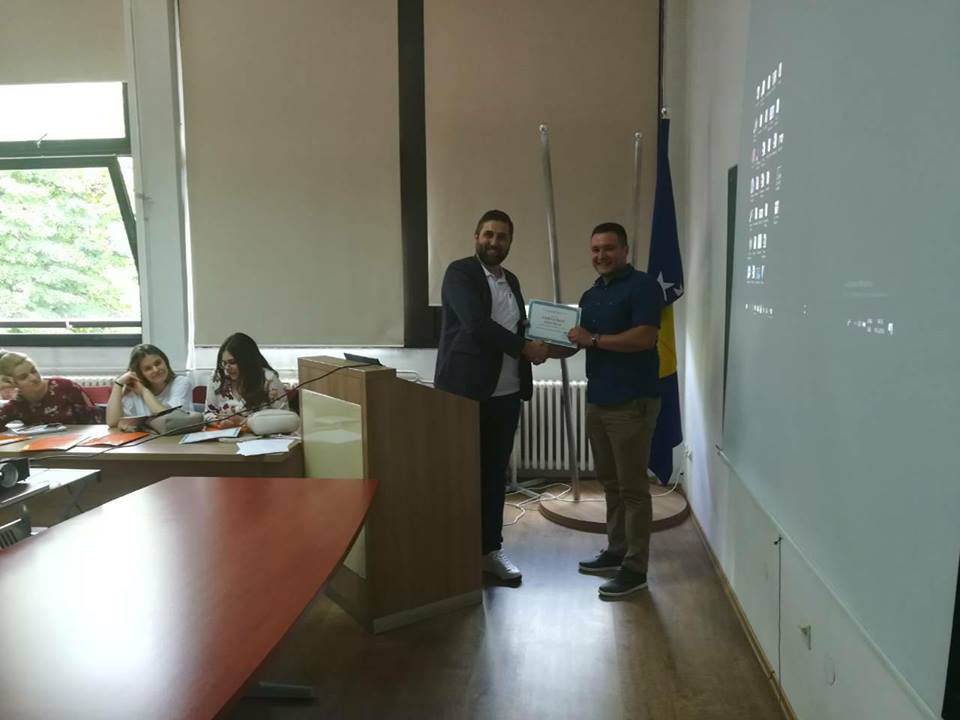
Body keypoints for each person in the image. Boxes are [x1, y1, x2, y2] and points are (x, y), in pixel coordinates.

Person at [434, 209, 549, 582]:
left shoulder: (511, 279)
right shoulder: (460, 273)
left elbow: (516, 324)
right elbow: (476, 324)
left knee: (494, 474)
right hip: (465, 392)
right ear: (476, 236)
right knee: (459, 474)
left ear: (510, 242)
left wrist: (546, 338)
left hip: (507, 393)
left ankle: (489, 550)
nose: (494, 242)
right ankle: (453, 552)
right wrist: (524, 347)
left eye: (502, 236)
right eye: (488, 234)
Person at [565, 222, 663, 599]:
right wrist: (538, 345)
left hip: (632, 400)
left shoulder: (643, 286)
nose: (601, 255)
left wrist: (593, 339)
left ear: (625, 250)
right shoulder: (590, 295)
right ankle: (617, 550)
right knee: (609, 482)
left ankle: (635, 569)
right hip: (599, 399)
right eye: (595, 249)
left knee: (633, 488)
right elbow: (577, 341)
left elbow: (645, 338)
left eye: (608, 248)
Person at [0, 351, 99, 429]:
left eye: (33, 371)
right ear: (11, 382)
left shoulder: (65, 387)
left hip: (79, 443)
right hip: (40, 447)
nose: (34, 378)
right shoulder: (17, 403)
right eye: (23, 377)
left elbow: (95, 421)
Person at [204, 332, 288, 426]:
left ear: (247, 361)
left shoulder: (268, 379)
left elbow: (285, 420)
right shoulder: (217, 379)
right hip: (225, 433)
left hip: (260, 434)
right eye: (224, 363)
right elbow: (208, 413)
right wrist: (219, 422)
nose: (227, 368)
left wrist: (245, 422)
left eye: (232, 362)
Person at [105, 344, 193, 430]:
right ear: (140, 374)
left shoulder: (181, 382)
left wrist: (144, 391)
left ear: (165, 361)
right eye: (148, 368)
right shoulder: (134, 389)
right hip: (148, 439)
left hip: (179, 437)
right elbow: (112, 422)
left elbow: (168, 419)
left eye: (158, 363)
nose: (156, 370)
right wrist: (118, 384)